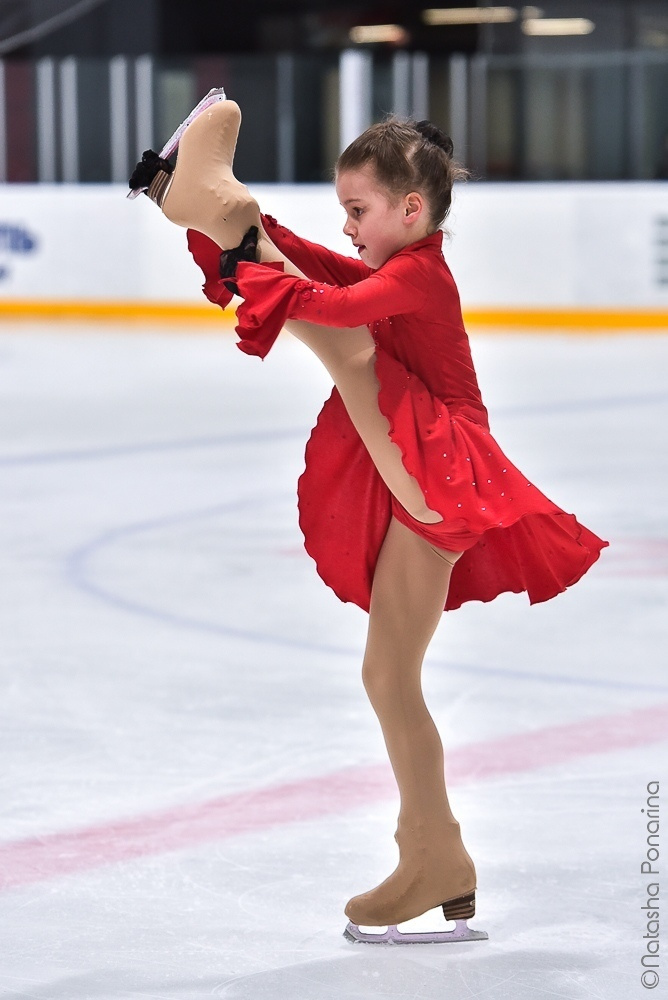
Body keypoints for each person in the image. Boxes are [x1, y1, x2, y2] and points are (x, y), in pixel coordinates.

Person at [129, 98, 608, 944]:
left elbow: (343, 310)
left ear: (411, 211)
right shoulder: (396, 261)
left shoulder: (421, 273)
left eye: (358, 211)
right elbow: (320, 269)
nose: (346, 226)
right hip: (432, 486)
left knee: (347, 348)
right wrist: (262, 234)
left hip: (446, 461)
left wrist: (246, 243)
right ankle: (437, 857)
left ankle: (213, 204)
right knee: (388, 679)